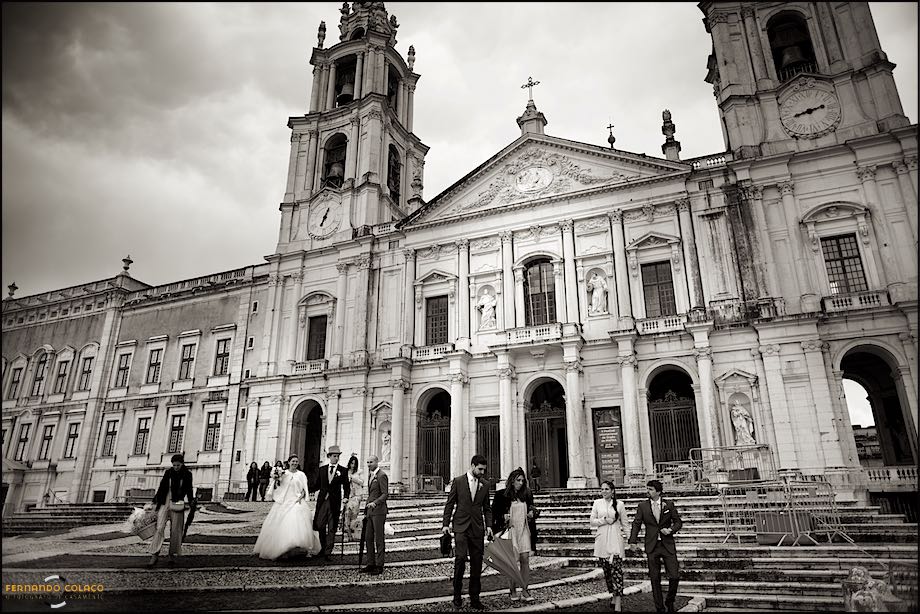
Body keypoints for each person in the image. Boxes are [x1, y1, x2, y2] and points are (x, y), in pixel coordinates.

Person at [442, 454, 493, 610]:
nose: (482, 472)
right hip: (461, 527)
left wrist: (489, 525)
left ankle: (475, 598)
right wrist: (445, 524)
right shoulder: (458, 481)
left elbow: (487, 508)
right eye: (480, 469)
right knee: (460, 559)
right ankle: (457, 596)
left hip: (477, 528)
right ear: (472, 466)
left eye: (484, 469)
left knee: (477, 564)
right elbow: (449, 504)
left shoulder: (485, 484)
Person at [629, 480, 684, 613]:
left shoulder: (669, 505)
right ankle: (659, 608)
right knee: (655, 578)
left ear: (658, 492)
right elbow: (637, 523)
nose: (648, 491)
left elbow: (678, 522)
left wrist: (670, 530)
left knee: (674, 576)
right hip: (652, 546)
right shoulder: (642, 506)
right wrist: (632, 541)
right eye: (647, 489)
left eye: (651, 489)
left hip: (667, 545)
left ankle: (669, 601)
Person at [253, 454, 321, 560]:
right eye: (293, 461)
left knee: (297, 522)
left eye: (296, 461)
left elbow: (304, 489)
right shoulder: (284, 474)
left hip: (297, 500)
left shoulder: (301, 475)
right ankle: (282, 548)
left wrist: (301, 497)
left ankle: (296, 547)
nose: (294, 463)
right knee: (280, 524)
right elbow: (278, 487)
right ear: (288, 462)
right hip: (284, 501)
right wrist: (276, 479)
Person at [491, 467, 538, 603]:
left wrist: (532, 513)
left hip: (524, 530)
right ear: (512, 481)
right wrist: (502, 517)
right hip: (510, 531)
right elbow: (494, 514)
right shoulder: (501, 495)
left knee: (525, 560)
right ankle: (512, 590)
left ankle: (525, 590)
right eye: (518, 480)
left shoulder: (527, 494)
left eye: (523, 480)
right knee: (512, 563)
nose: (521, 483)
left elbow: (533, 509)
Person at [147, 453, 194, 568]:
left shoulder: (187, 474)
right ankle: (155, 554)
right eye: (174, 465)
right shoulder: (168, 473)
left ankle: (172, 555)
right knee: (160, 527)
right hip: (165, 500)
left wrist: (191, 500)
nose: (176, 467)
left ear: (182, 464)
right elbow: (162, 487)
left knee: (176, 530)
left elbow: (189, 488)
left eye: (178, 465)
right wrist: (155, 501)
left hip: (178, 502)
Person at [591, 480, 628, 611]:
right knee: (607, 572)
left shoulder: (620, 504)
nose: (604, 492)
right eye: (602, 489)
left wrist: (630, 540)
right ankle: (613, 594)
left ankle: (618, 602)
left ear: (612, 491)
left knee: (617, 572)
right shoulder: (597, 503)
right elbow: (592, 521)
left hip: (616, 541)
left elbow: (625, 523)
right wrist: (604, 520)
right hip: (602, 542)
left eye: (607, 489)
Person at [312, 444, 350, 559]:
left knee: (332, 527)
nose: (336, 458)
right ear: (329, 456)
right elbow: (317, 485)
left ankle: (328, 552)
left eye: (338, 456)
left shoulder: (343, 470)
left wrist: (346, 497)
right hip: (323, 501)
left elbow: (346, 486)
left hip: (334, 502)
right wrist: (305, 489)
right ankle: (322, 548)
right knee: (320, 525)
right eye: (334, 456)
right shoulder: (322, 469)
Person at [361, 454, 389, 575]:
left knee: (379, 538)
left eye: (371, 462)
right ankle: (370, 563)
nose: (368, 464)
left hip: (379, 511)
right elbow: (371, 493)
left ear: (377, 462)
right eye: (367, 462)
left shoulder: (382, 475)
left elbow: (385, 494)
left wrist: (375, 503)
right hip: (370, 511)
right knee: (368, 537)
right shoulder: (370, 476)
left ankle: (379, 564)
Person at [343, 454, 366, 540]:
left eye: (354, 463)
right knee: (346, 514)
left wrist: (352, 478)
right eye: (351, 463)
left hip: (357, 495)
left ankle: (354, 533)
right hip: (348, 495)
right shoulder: (345, 471)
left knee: (354, 514)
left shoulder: (360, 471)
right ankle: (348, 534)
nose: (353, 465)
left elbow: (362, 482)